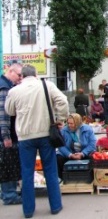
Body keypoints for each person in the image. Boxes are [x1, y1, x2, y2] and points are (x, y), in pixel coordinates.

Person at [5, 65, 69, 218]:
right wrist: (59, 119)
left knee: (27, 173)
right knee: (50, 171)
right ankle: (55, 206)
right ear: (36, 74)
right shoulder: (47, 85)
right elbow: (63, 101)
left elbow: (9, 111)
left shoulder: (14, 91)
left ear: (23, 76)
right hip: (46, 134)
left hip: (25, 137)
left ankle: (28, 211)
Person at [0, 63, 22, 206]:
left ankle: (9, 192)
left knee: (9, 163)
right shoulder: (4, 87)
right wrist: (6, 136)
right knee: (7, 164)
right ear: (10, 71)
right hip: (6, 135)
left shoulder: (7, 85)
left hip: (8, 133)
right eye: (18, 75)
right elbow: (3, 114)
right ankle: (9, 195)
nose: (20, 78)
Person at [56, 114, 96, 179]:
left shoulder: (88, 129)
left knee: (94, 156)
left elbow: (92, 144)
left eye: (72, 123)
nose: (69, 125)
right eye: (68, 123)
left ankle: (92, 178)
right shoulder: (64, 131)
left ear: (78, 123)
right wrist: (70, 154)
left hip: (84, 152)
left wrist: (83, 153)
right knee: (58, 158)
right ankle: (62, 178)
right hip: (69, 153)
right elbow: (61, 146)